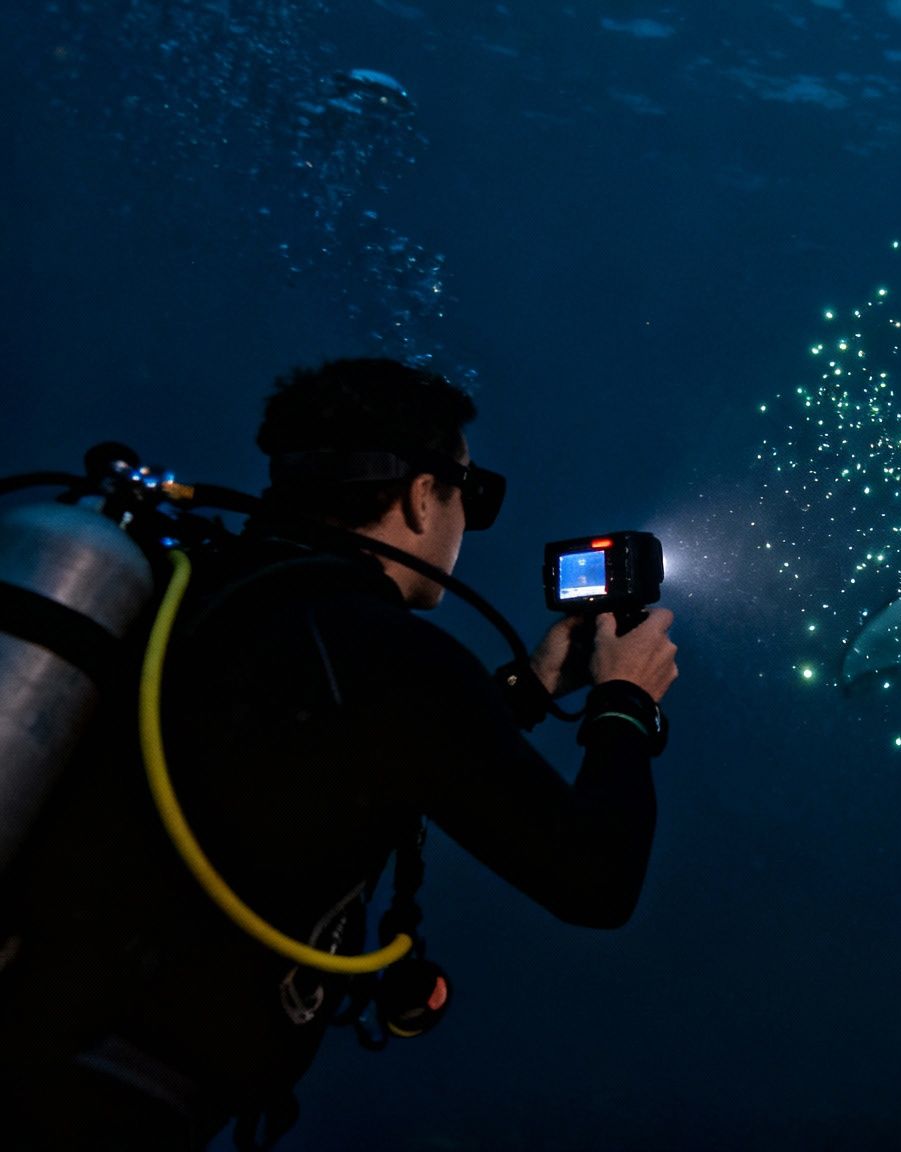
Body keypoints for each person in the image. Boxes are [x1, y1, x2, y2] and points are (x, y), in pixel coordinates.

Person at [0, 358, 678, 1149]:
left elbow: (328, 740)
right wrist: (625, 702)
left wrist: (528, 687)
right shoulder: (389, 655)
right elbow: (596, 879)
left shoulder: (200, 590)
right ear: (422, 496)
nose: (467, 519)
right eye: (471, 492)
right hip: (101, 1107)